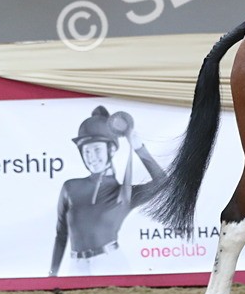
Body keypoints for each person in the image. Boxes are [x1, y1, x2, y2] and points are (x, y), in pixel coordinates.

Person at [50, 106, 167, 277]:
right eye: (86, 151)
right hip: (76, 267)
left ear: (110, 150)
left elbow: (162, 182)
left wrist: (138, 147)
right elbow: (61, 234)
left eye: (97, 149)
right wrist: (52, 274)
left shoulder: (124, 193)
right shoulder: (70, 187)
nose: (91, 157)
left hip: (110, 263)